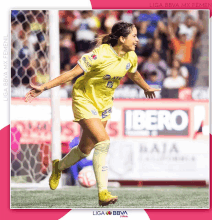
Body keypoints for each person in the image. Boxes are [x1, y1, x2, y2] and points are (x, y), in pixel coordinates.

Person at [25, 21, 160, 206]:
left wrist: (146, 88)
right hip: (84, 99)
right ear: (122, 38)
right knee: (103, 141)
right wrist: (44, 87)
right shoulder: (99, 54)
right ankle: (103, 193)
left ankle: (58, 166)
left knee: (85, 150)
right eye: (134, 36)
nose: (137, 40)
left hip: (104, 104)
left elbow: (134, 74)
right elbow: (71, 74)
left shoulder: (131, 56)